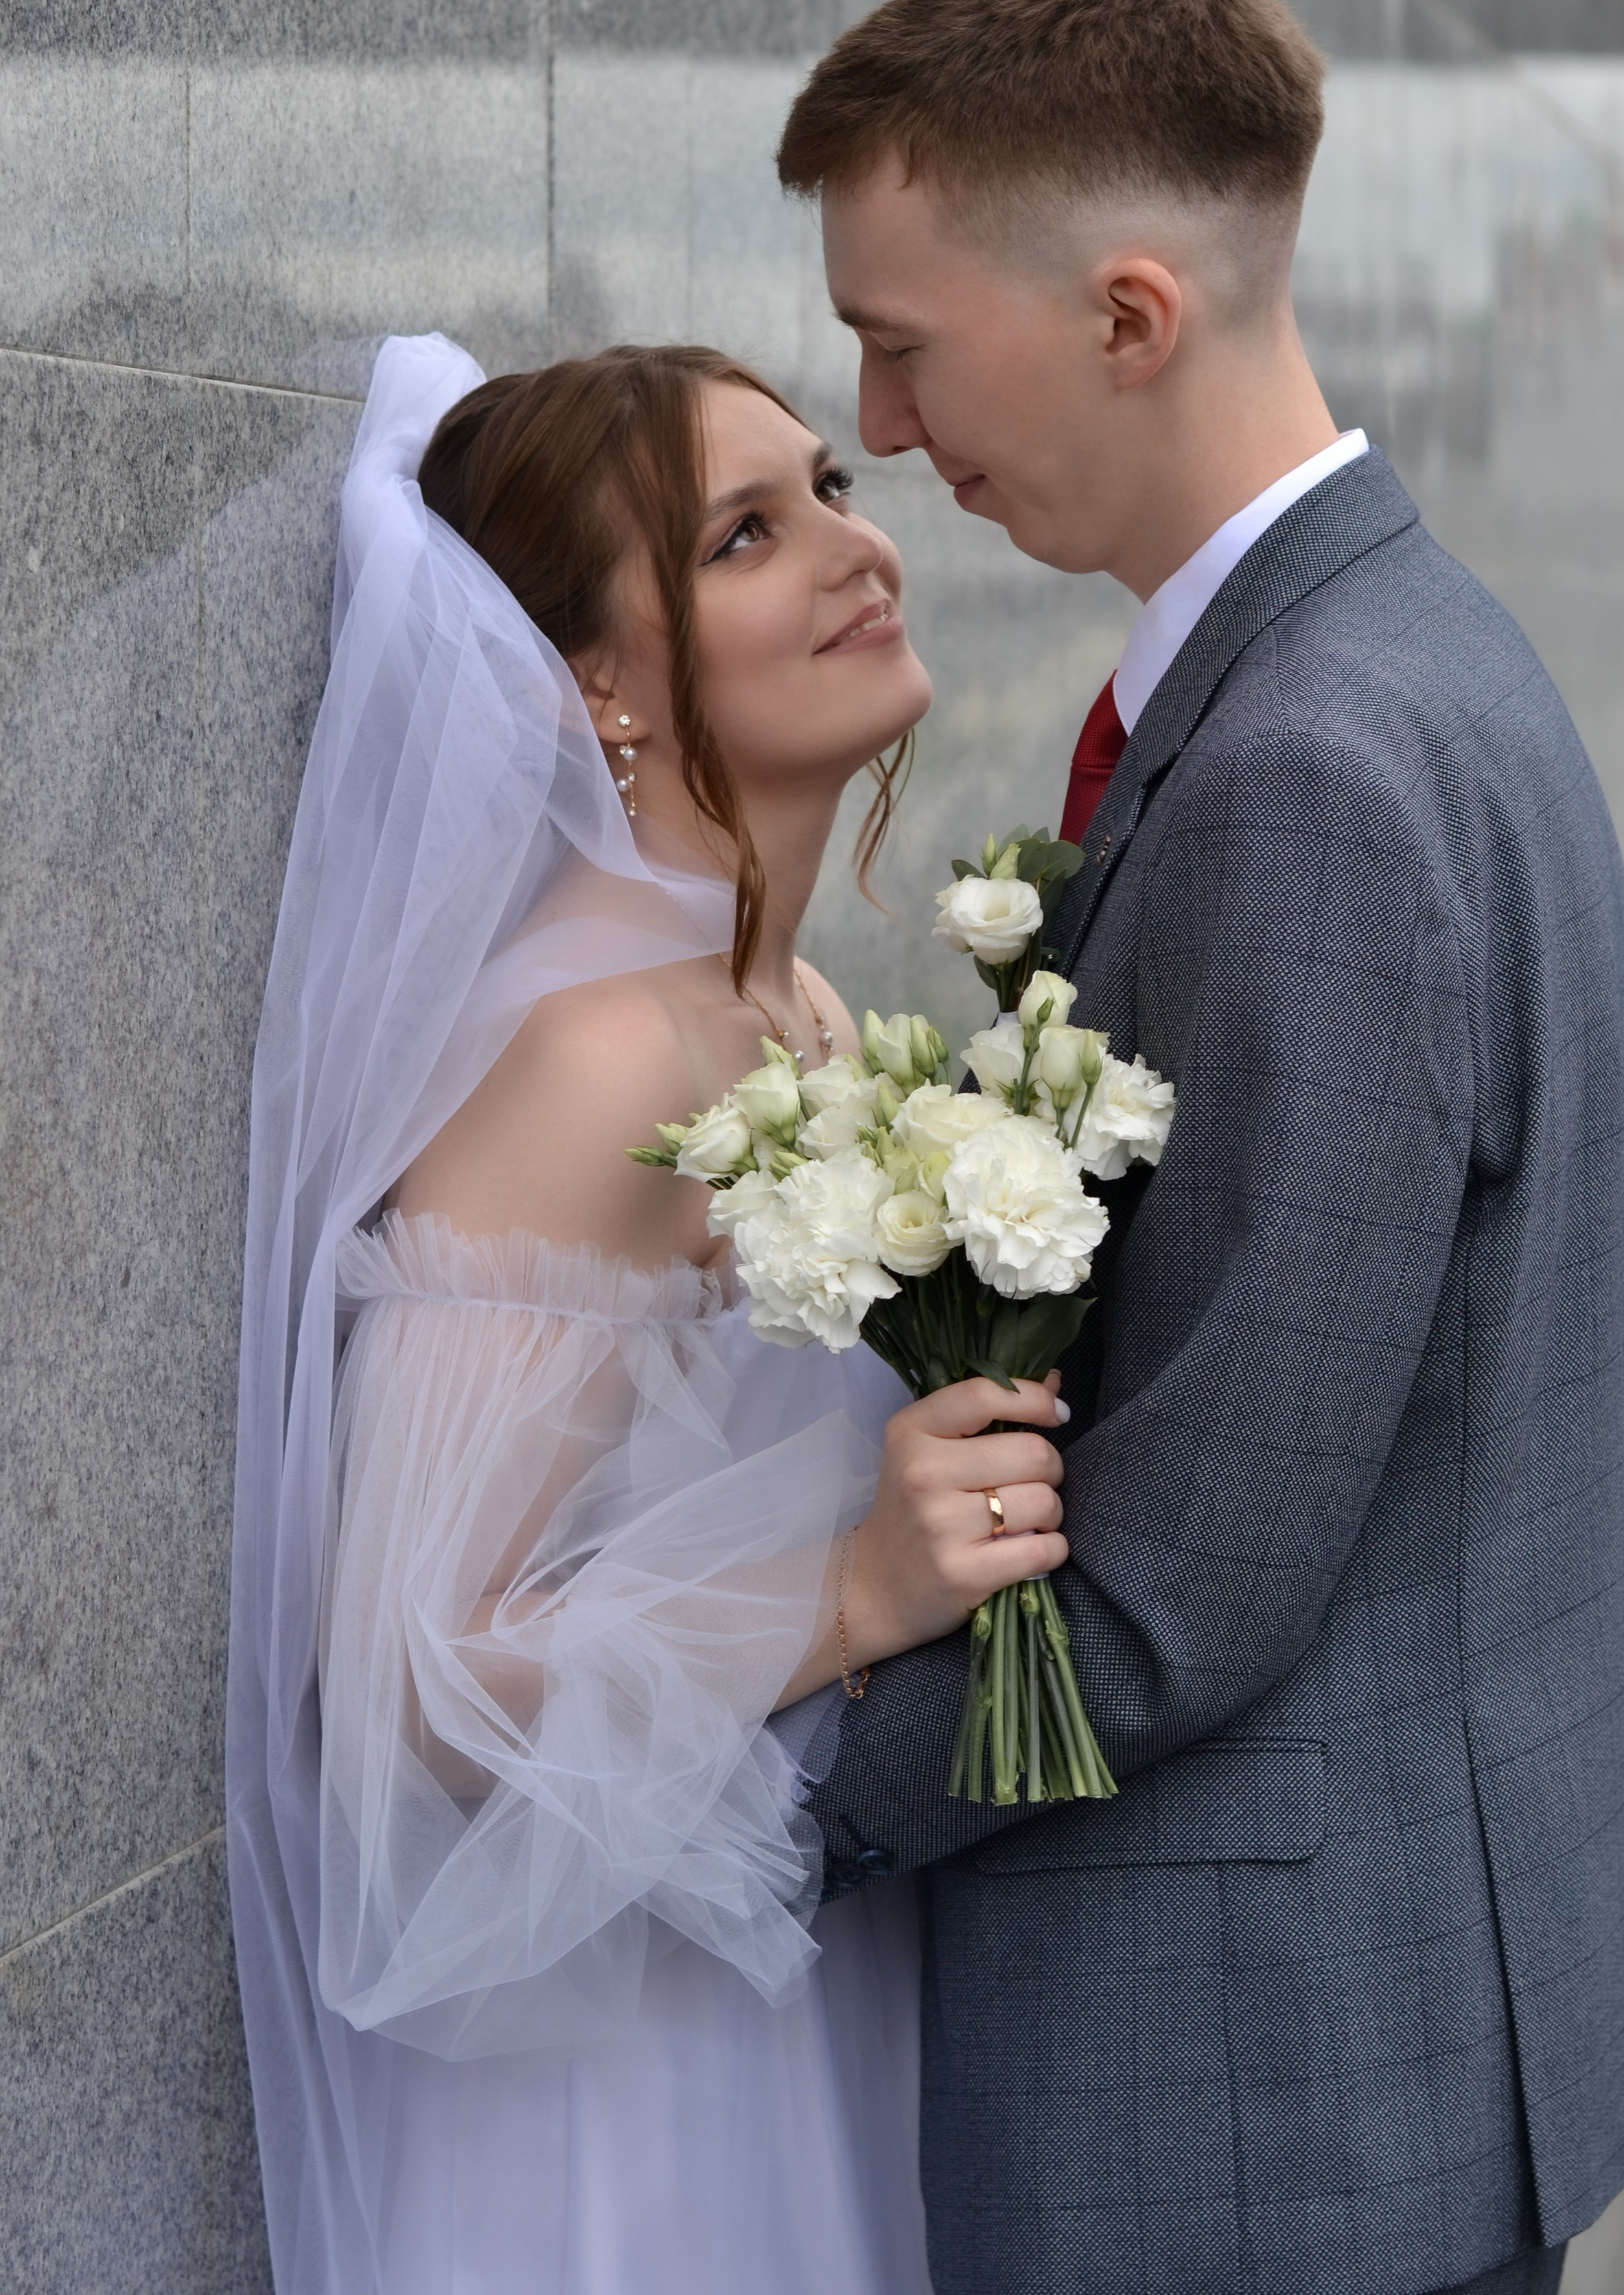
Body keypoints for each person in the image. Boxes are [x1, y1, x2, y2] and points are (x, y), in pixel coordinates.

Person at [774, 0, 1624, 2295]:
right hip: (1375, 2031)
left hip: (1253, 2109)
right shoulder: (1404, 645)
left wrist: (731, 1803)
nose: (882, 435)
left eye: (900, 351)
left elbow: (1173, 1587)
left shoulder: (1311, 764)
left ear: (1129, 310)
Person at [226, 332, 1071, 2294]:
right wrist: (853, 1591)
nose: (856, 547)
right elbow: (409, 1682)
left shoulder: (797, 1014)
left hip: (786, 1983)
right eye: (750, 532)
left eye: (834, 494)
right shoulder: (603, 1054)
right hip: (624, 2095)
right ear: (591, 686)